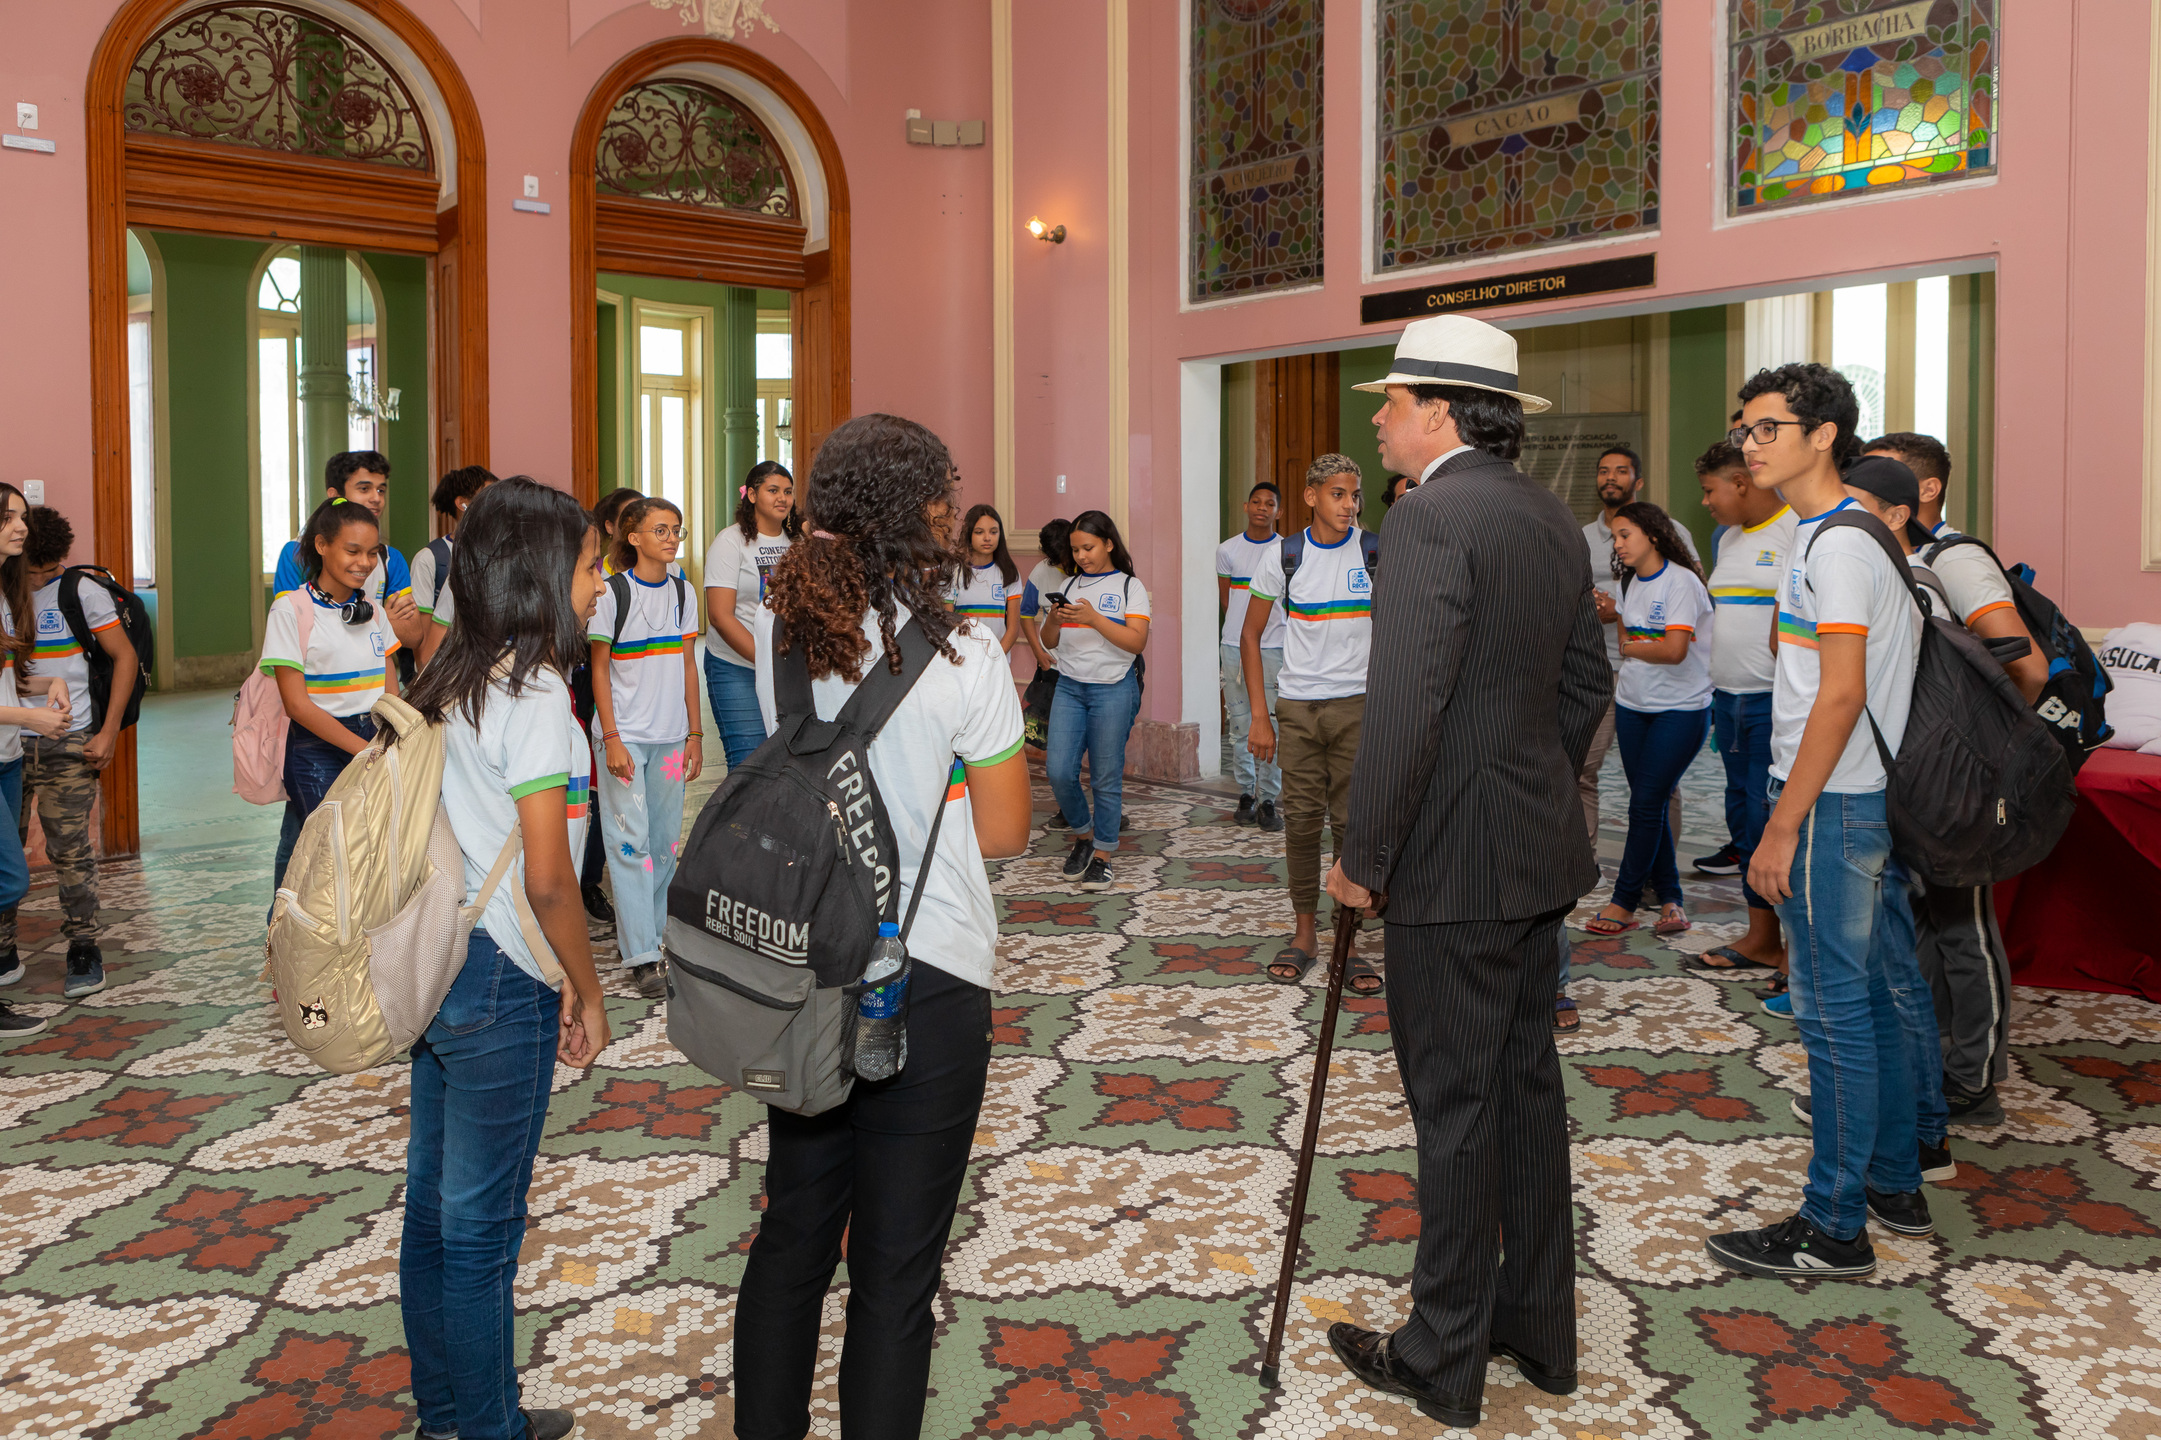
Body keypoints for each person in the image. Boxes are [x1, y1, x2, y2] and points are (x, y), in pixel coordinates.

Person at [1324, 315, 1610, 1428]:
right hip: (1535, 854)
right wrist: (1528, 780)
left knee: (1453, 1108)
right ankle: (1538, 1334)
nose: (1381, 421)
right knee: (1525, 1096)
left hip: (1450, 870)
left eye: (1390, 403)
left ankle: (1440, 1356)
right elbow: (1586, 683)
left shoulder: (1432, 520)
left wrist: (1364, 857)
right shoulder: (1547, 513)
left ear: (1439, 409)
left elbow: (1404, 711)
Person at [739, 413, 1030, 1440]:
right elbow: (1002, 831)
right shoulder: (967, 653)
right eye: (945, 498)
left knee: (792, 1242)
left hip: (795, 969)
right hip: (930, 968)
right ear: (917, 516)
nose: (958, 513)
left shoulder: (789, 631)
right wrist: (936, 786)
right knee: (895, 1273)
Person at [1705, 363, 1930, 1282]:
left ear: (1823, 434)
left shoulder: (1834, 547)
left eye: (1766, 429)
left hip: (1831, 806)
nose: (1749, 444)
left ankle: (1833, 1225)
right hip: (1848, 799)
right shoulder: (1834, 536)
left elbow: (1837, 696)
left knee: (1833, 1016)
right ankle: (1890, 1177)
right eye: (1745, 429)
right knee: (1872, 996)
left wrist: (1779, 825)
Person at [398, 478, 607, 1440]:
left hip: (434, 962)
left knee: (434, 1213)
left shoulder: (446, 675)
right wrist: (586, 986)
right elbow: (552, 882)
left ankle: (449, 1414)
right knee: (482, 1229)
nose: (600, 584)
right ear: (541, 575)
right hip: (499, 978)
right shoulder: (533, 702)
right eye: (592, 564)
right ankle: (490, 1430)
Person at [1861, 431, 2037, 1129]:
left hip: (1958, 777)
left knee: (1963, 924)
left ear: (1925, 490)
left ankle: (1975, 1078)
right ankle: (1935, 1061)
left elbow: (2024, 666)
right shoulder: (1893, 559)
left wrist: (1987, 760)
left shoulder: (1956, 558)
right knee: (1926, 921)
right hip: (1913, 773)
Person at [1247, 456, 1379, 994]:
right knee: (1301, 822)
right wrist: (1260, 715)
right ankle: (1305, 934)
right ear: (1311, 496)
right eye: (1338, 494)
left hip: (1358, 707)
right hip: (1298, 707)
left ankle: (1348, 940)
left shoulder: (1374, 552)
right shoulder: (1284, 556)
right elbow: (1250, 636)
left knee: (1352, 827)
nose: (1348, 505)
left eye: (1354, 495)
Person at [0, 506, 141, 999]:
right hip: (11, 744)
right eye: (33, 571)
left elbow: (125, 657)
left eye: (47, 569)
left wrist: (107, 732)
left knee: (70, 850)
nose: (40, 578)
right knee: (5, 851)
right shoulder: (4, 593)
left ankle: (84, 948)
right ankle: (3, 950)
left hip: (68, 741)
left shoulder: (81, 592)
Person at [1687, 441, 1796, 987]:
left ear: (1740, 482)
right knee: (1741, 821)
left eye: (1710, 490)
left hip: (1772, 702)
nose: (1705, 502)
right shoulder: (1727, 539)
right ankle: (1760, 939)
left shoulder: (1795, 530)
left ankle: (1794, 951)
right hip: (1726, 701)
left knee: (1771, 820)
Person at [590, 496, 702, 1001]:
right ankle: (640, 954)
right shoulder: (612, 593)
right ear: (633, 537)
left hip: (671, 738)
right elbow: (597, 670)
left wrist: (694, 734)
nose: (671, 537)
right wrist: (612, 738)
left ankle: (652, 936)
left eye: (675, 529)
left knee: (664, 846)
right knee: (630, 845)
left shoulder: (683, 592)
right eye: (660, 529)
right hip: (625, 738)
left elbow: (686, 667)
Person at [1583, 502, 1712, 939]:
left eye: (1624, 536)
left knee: (1644, 804)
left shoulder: (1683, 582)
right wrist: (1631, 636)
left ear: (1653, 535)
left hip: (1681, 710)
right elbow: (1627, 635)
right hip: (1635, 705)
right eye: (1615, 536)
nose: (1616, 545)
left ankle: (1624, 901)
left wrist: (1633, 645)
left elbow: (1673, 651)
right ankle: (1671, 898)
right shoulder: (1630, 580)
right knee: (1649, 804)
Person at [262, 498, 402, 893]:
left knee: (364, 855)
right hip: (317, 750)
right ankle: (292, 942)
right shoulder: (291, 610)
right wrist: (362, 750)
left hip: (374, 739)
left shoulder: (374, 611)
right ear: (322, 545)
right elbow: (297, 704)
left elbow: (390, 687)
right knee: (331, 859)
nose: (365, 562)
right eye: (352, 550)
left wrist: (388, 740)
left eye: (373, 553)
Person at [1580, 445, 1697, 842]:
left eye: (1620, 470)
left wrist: (1621, 613)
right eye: (1603, 470)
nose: (1609, 477)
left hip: (1654, 669)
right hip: (1596, 669)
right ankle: (1583, 859)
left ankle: (1658, 872)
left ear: (1639, 480)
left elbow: (1690, 592)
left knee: (1658, 781)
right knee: (1582, 767)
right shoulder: (1580, 537)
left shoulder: (1671, 531)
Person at [1041, 510, 1149, 891]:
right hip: (1070, 686)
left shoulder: (1128, 587)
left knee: (1105, 777)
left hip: (1113, 688)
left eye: (1088, 547)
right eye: (1075, 549)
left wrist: (1094, 619)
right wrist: (1054, 618)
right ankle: (1084, 836)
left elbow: (1136, 642)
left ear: (1108, 543)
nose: (1082, 556)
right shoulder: (1068, 586)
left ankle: (1102, 855)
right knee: (1058, 771)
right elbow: (1049, 641)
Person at [0, 483, 72, 1037]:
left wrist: (46, 685)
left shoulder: (5, 591)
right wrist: (32, 720)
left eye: (21, 516)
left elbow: (9, 678)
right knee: (9, 879)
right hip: (9, 743)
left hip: (5, 758)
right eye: (7, 519)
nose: (20, 527)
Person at [271, 449, 425, 654]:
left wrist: (325, 620)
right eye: (364, 489)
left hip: (371, 679)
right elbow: (290, 630)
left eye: (381, 490)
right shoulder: (295, 553)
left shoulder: (391, 559)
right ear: (334, 495)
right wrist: (381, 618)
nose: (376, 498)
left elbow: (413, 634)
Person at [704, 462, 799, 771]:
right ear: (753, 495)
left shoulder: (797, 545)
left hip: (786, 670)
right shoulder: (730, 542)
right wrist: (766, 661)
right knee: (748, 764)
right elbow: (720, 616)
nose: (782, 498)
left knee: (785, 762)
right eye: (773, 491)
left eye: (787, 491)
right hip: (736, 668)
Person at [1216, 482, 1285, 830]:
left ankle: (1269, 798)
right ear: (1245, 506)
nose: (1262, 508)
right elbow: (1228, 601)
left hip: (1275, 647)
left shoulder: (1288, 551)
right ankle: (1247, 792)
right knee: (1240, 723)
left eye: (1269, 503)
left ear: (1279, 511)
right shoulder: (1227, 551)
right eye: (1256, 501)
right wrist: (1242, 636)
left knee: (1273, 724)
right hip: (1233, 646)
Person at [413, 466, 497, 627]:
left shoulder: (503, 555)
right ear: (462, 504)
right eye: (488, 498)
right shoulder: (429, 558)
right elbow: (423, 638)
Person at [950, 503, 1023, 654]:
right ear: (969, 534)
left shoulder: (1009, 573)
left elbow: (1013, 629)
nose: (987, 538)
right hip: (962, 659)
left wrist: (995, 658)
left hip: (998, 659)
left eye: (993, 532)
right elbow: (947, 624)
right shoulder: (953, 573)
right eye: (979, 532)